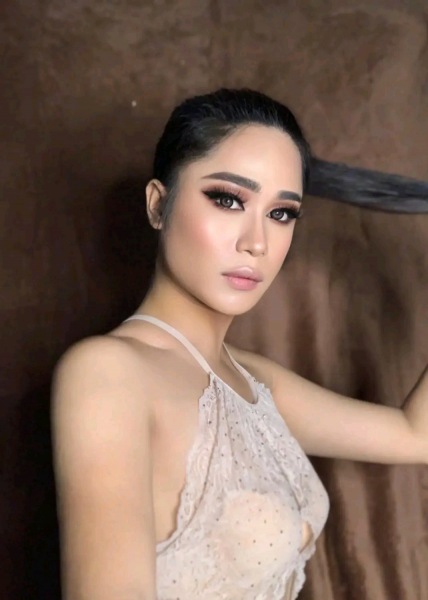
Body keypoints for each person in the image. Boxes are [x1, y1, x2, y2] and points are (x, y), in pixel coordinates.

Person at [51, 88, 428, 600]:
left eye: (282, 213)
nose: (257, 242)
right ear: (158, 204)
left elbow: (415, 435)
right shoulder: (108, 373)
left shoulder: (254, 382)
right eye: (228, 200)